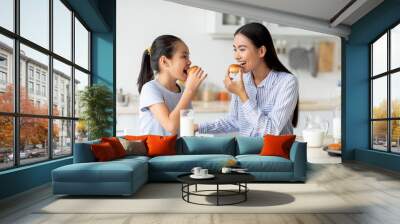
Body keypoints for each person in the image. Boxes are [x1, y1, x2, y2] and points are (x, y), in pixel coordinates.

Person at [195, 23, 299, 137]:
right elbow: (233, 121)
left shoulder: (287, 82)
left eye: (242, 49)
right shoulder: (241, 80)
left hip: (275, 153)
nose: (236, 56)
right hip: (247, 151)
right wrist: (199, 127)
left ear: (261, 51)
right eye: (235, 49)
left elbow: (271, 131)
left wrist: (242, 95)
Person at [138, 35, 207, 136]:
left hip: (177, 151)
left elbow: (187, 131)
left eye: (188, 56)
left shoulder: (183, 90)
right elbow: (171, 127)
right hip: (157, 151)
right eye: (184, 56)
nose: (189, 62)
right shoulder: (150, 89)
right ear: (164, 61)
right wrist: (190, 90)